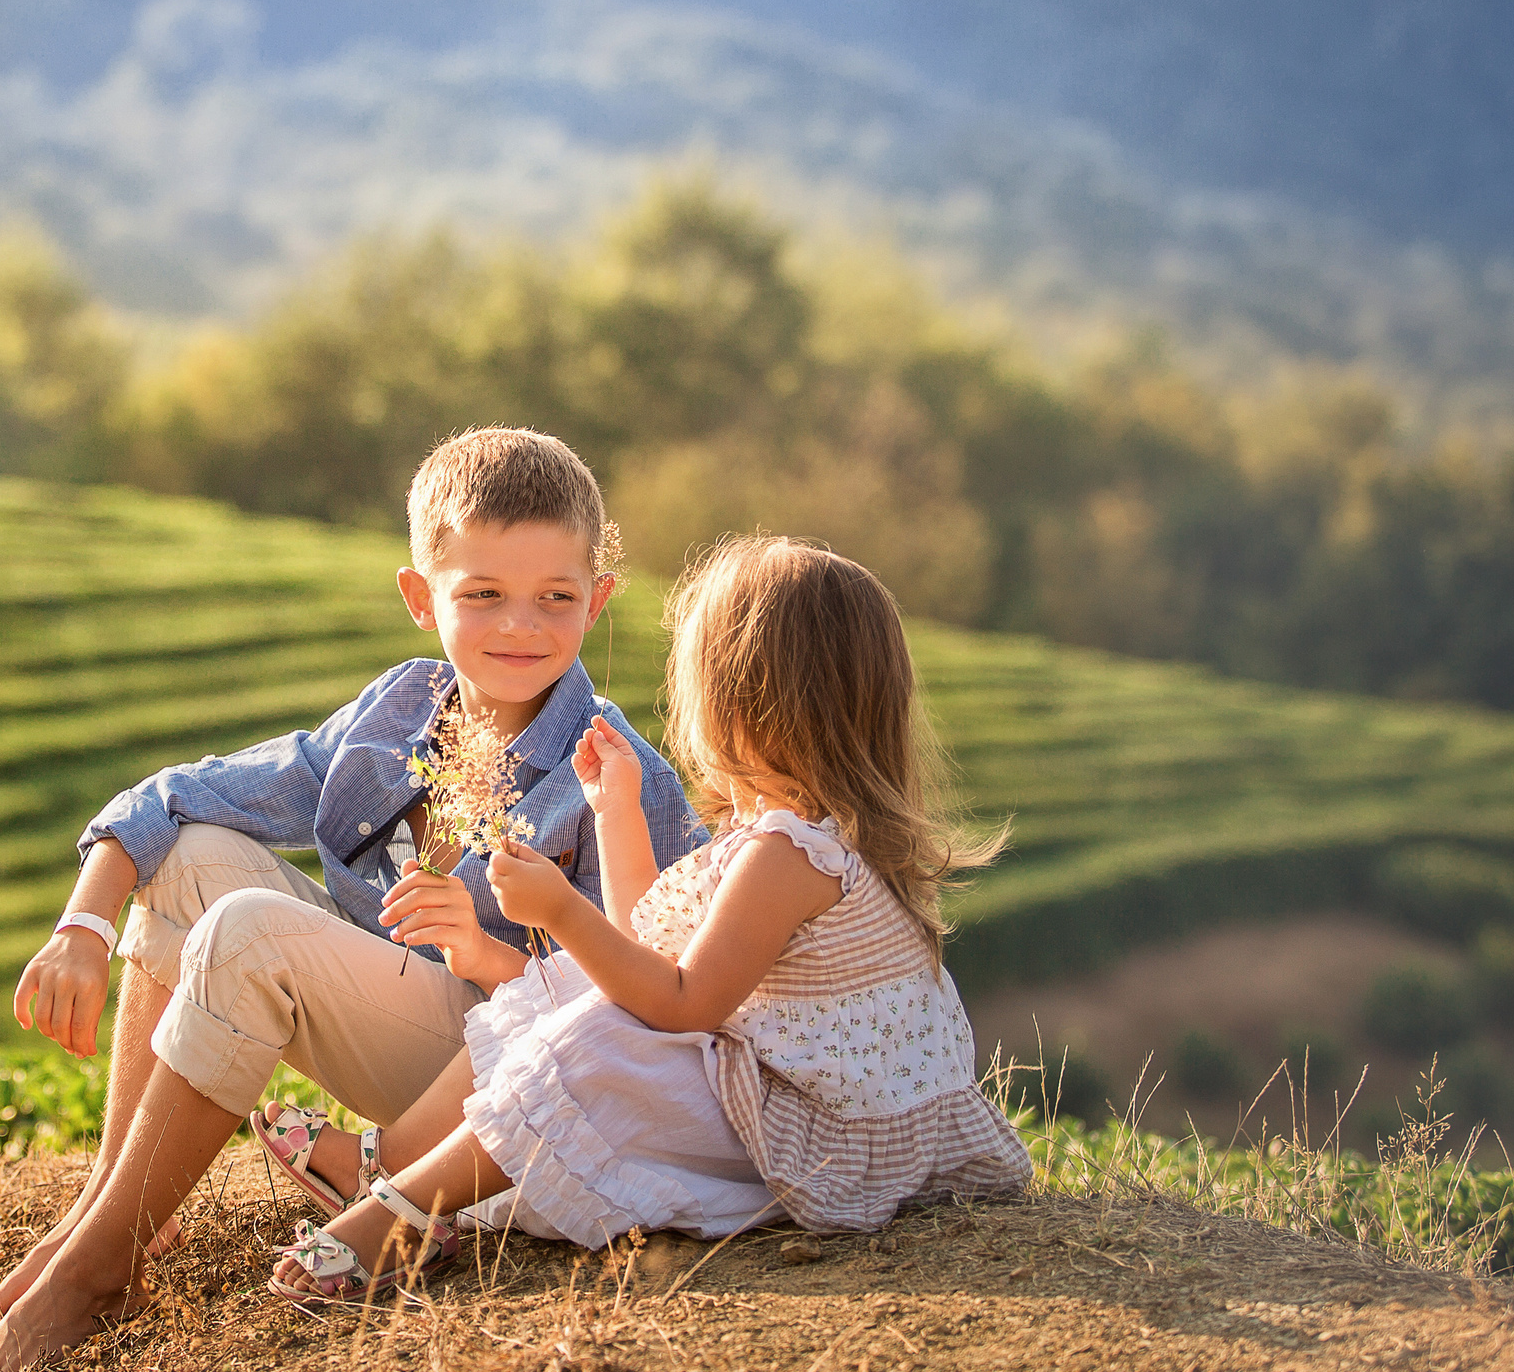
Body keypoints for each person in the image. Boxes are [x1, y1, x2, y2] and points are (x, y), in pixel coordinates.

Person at [0, 428, 705, 1372]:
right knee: (193, 861)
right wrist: (83, 926)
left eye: (555, 597)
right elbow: (186, 793)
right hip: (388, 1029)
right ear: (419, 596)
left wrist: (485, 951)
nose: (520, 625)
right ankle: (116, 1203)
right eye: (481, 593)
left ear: (596, 600)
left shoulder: (611, 771)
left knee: (247, 931)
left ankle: (99, 1265)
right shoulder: (399, 709)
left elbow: (638, 1009)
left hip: (498, 1078)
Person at [268, 535, 1031, 1304]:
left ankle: (402, 1211)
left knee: (595, 1034)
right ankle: (391, 1165)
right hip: (787, 1096)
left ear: (739, 699)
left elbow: (679, 1004)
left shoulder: (788, 852)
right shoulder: (793, 836)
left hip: (821, 1135)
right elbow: (646, 951)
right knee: (573, 990)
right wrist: (616, 811)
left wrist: (564, 910)